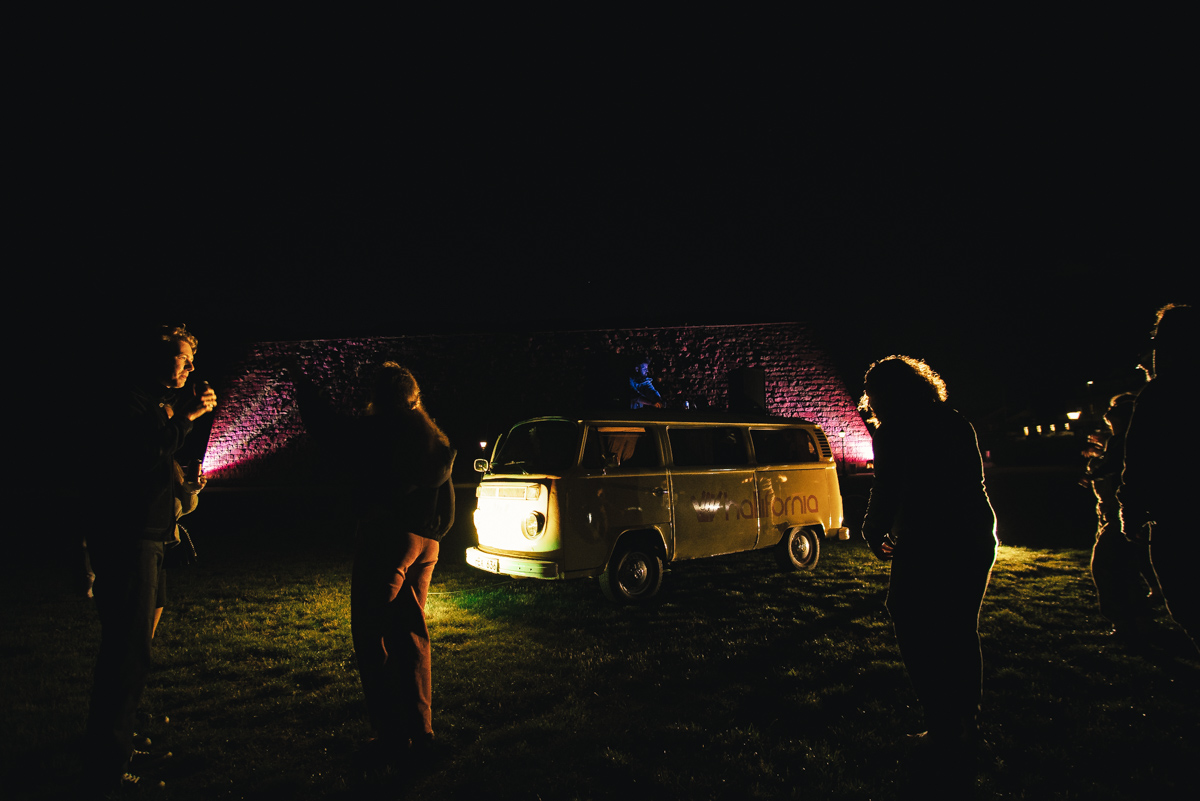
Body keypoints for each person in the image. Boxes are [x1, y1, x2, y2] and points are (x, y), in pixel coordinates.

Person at [289, 360, 456, 767]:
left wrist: (303, 384)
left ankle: (392, 735)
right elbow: (448, 498)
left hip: (388, 540)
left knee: (372, 637)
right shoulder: (430, 435)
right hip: (427, 543)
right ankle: (421, 732)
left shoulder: (378, 430)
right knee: (411, 636)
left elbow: (328, 428)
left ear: (377, 398)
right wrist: (433, 533)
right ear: (415, 397)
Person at [84, 326, 217, 793]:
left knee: (136, 649)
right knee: (125, 651)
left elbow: (159, 455)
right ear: (156, 357)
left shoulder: (156, 402)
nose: (190, 366)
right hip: (128, 539)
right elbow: (140, 454)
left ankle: (120, 741)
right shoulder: (127, 400)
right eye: (182, 357)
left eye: (191, 359)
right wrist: (186, 417)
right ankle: (107, 766)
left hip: (152, 537)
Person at [858, 356, 997, 769]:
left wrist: (873, 529)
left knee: (912, 622)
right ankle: (966, 724)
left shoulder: (895, 429)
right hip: (974, 534)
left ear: (885, 394)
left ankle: (942, 725)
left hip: (930, 538)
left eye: (873, 395)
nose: (870, 403)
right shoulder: (954, 421)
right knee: (959, 629)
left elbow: (887, 487)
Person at [1120, 303, 1196, 652]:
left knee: (1186, 602)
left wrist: (1131, 510)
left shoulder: (1161, 395)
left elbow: (1140, 457)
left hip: (1179, 518)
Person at [1085, 394, 1156, 641]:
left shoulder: (1125, 443)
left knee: (1105, 566)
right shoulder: (1121, 443)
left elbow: (1116, 470)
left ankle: (1125, 623)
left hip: (1121, 514)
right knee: (1126, 569)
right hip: (1119, 514)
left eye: (1113, 411)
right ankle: (1140, 622)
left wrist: (1094, 469)